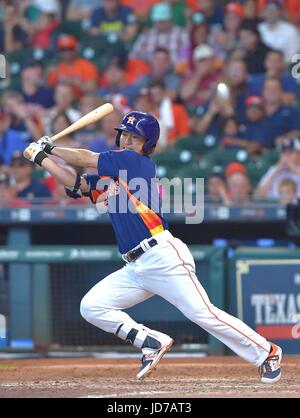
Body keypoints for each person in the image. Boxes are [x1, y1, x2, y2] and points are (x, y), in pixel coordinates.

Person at [23, 110, 282, 383]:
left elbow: (87, 158)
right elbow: (75, 183)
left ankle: (267, 352)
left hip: (162, 256)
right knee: (92, 306)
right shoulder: (113, 177)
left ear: (147, 145)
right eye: (125, 135)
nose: (127, 141)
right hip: (135, 266)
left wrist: (50, 147)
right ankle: (150, 341)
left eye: (136, 138)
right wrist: (41, 158)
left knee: (204, 314)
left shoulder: (137, 163)